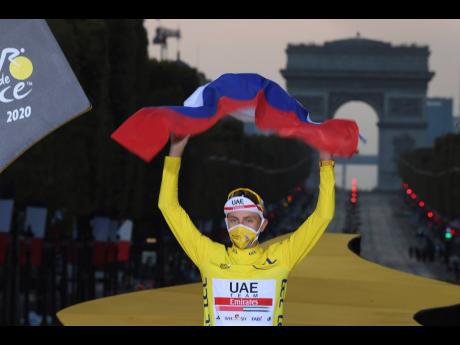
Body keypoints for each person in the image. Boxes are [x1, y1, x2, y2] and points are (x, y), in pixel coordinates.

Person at [158, 134, 335, 326]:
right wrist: (175, 150)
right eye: (234, 220)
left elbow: (323, 216)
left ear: (263, 224)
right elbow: (168, 207)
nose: (240, 226)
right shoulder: (209, 256)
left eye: (248, 220)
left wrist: (326, 162)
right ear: (226, 223)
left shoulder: (282, 257)